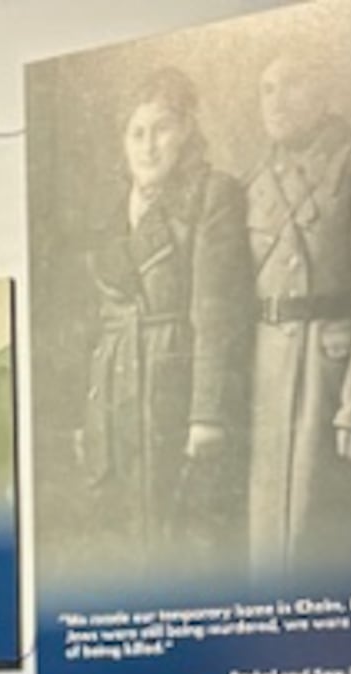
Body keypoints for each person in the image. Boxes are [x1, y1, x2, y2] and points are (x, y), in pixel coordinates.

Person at [245, 48, 351, 578]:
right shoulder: (256, 182)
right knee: (267, 552)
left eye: (292, 83)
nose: (277, 102)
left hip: (333, 376)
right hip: (268, 380)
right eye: (266, 90)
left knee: (329, 550)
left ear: (327, 92)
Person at [75, 67, 252, 568]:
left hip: (176, 390)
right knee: (123, 548)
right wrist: (88, 417)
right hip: (116, 394)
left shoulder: (213, 195)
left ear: (189, 129)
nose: (148, 147)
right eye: (137, 133)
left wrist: (207, 415)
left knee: (183, 545)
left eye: (162, 129)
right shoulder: (112, 211)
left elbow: (216, 316)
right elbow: (98, 322)